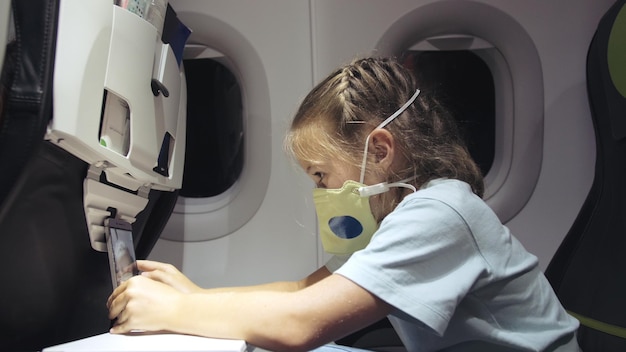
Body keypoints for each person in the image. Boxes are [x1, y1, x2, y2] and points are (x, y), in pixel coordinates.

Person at [107, 57, 580, 351]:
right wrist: (195, 297)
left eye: (321, 174)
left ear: (379, 150)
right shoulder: (400, 215)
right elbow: (302, 291)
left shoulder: (439, 214)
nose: (321, 192)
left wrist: (168, 312)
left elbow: (301, 324)